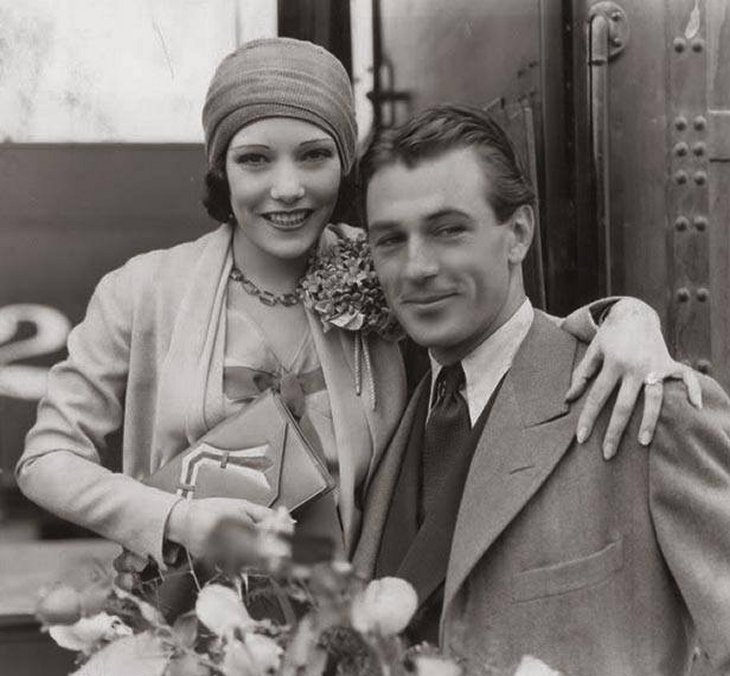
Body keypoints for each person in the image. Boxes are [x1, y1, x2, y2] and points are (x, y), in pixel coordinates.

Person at [17, 38, 691, 574]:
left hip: (353, 635)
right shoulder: (143, 291)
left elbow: (501, 337)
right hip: (187, 622)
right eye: (255, 160)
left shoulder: (387, 265)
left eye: (313, 156)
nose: (287, 188)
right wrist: (174, 519)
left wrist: (625, 318)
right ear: (221, 170)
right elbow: (45, 461)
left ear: (344, 165)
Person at [353, 104, 730, 676]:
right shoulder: (383, 419)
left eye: (449, 230)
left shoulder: (642, 403)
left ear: (519, 233)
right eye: (391, 240)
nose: (417, 267)